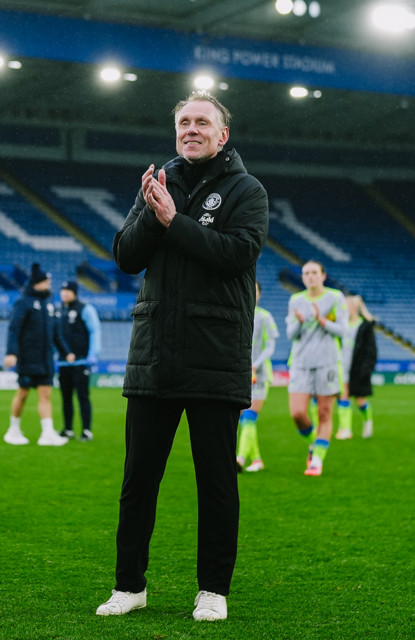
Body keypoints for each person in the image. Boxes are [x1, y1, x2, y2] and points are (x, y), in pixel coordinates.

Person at [96, 91, 268, 622]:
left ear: (223, 135)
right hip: (153, 357)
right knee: (138, 480)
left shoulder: (247, 190)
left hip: (215, 355)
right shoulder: (158, 185)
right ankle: (130, 586)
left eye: (202, 122)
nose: (191, 129)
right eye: (183, 122)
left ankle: (213, 589)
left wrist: (174, 221)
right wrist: (153, 213)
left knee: (215, 481)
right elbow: (125, 257)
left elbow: (237, 254)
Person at [286, 260, 348, 477]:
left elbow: (342, 330)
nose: (309, 276)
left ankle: (317, 461)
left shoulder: (335, 297)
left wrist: (322, 321)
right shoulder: (296, 300)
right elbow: (290, 335)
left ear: (323, 276)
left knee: (324, 413)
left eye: (313, 272)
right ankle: (315, 443)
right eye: (306, 273)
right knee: (297, 413)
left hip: (327, 362)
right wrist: (300, 322)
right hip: (301, 363)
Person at [3, 263, 73, 447]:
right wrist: (11, 352)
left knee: (45, 394)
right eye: (46, 281)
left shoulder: (50, 304)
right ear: (37, 283)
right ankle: (13, 430)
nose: (49, 284)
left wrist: (67, 353)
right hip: (27, 358)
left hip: (45, 360)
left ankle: (47, 434)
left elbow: (56, 333)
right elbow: (14, 329)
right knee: (23, 394)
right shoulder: (23, 302)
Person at [236, 281, 278, 472]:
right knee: (242, 417)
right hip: (239, 373)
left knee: (249, 417)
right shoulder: (237, 313)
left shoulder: (265, 317)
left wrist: (256, 364)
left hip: (259, 375)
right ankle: (257, 460)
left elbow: (270, 347)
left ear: (260, 294)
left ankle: (240, 458)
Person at [56, 280, 101, 441]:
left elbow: (94, 331)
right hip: (63, 363)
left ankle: (86, 430)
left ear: (74, 292)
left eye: (67, 290)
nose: (64, 293)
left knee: (82, 395)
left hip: (82, 362)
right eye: (62, 290)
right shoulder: (59, 310)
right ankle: (68, 429)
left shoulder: (85, 309)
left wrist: (93, 354)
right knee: (66, 397)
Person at [335, 294, 377, 440]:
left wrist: (367, 369)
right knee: (343, 396)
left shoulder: (364, 325)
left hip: (358, 368)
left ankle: (367, 421)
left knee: (360, 401)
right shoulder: (341, 324)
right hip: (341, 366)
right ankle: (345, 429)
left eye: (350, 305)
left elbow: (371, 350)